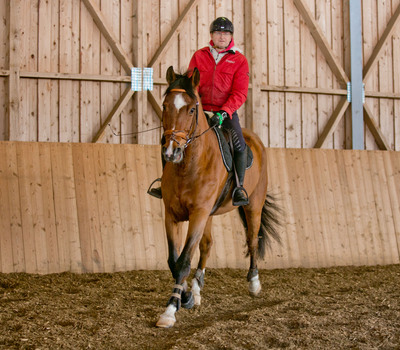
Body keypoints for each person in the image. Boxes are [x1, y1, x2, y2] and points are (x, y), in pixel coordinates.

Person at [148, 17, 249, 206]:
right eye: (218, 32)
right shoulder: (199, 56)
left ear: (231, 37)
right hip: (198, 110)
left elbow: (240, 93)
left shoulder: (239, 60)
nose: (222, 36)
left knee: (239, 144)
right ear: (211, 35)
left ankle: (238, 188)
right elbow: (189, 84)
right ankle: (164, 182)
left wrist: (224, 112)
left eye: (226, 33)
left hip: (224, 112)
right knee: (169, 137)